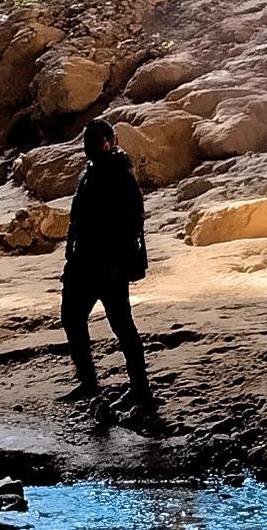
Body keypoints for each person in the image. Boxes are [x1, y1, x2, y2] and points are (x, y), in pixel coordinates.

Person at [58, 119, 154, 413]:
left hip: (108, 264)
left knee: (122, 325)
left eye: (95, 141)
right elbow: (78, 221)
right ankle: (88, 380)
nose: (89, 147)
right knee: (72, 317)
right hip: (84, 262)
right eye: (86, 142)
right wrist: (70, 258)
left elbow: (132, 222)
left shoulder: (119, 175)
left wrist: (117, 261)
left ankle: (140, 388)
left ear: (111, 142)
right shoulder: (90, 173)